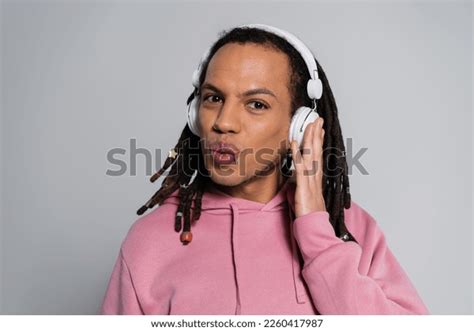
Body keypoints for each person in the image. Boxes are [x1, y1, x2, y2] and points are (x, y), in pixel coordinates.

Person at [100, 24, 429, 315]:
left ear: (298, 127)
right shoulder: (149, 242)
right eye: (213, 98)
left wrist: (316, 233)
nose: (224, 122)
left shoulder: (349, 227)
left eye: (256, 104)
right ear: (194, 113)